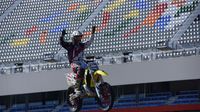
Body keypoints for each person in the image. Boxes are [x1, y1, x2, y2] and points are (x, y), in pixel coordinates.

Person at [60, 26, 96, 97]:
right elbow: (62, 43)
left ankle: (91, 86)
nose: (79, 38)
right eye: (77, 37)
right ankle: (77, 89)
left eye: (80, 37)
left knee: (91, 68)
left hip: (82, 62)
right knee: (80, 69)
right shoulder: (70, 45)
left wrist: (92, 33)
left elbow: (89, 42)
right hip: (74, 63)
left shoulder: (82, 45)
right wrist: (62, 35)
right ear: (73, 38)